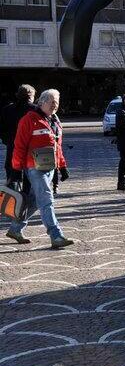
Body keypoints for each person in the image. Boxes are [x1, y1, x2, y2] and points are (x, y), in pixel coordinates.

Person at [6, 89, 73, 248]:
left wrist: (62, 166)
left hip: (50, 168)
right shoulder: (29, 120)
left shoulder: (55, 121)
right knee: (46, 199)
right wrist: (16, 169)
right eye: (52, 102)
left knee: (35, 201)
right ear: (42, 102)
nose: (55, 105)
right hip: (34, 168)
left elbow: (57, 146)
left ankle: (15, 229)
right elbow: (19, 146)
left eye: (57, 102)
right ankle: (56, 235)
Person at [0, 85, 36, 181]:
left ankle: (14, 193)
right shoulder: (36, 110)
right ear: (30, 96)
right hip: (31, 146)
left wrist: (7, 140)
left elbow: (2, 128)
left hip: (13, 145)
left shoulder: (7, 109)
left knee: (12, 174)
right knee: (30, 174)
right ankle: (27, 194)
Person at [50, 112, 67, 195]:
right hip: (43, 154)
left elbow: (59, 147)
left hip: (54, 152)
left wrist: (63, 167)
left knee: (54, 167)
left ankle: (55, 186)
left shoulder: (56, 122)